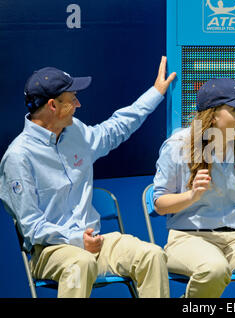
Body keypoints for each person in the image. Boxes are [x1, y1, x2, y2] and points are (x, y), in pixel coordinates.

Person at [0, 57, 176, 298]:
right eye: (72, 100)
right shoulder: (18, 157)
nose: (78, 104)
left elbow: (115, 129)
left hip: (96, 242)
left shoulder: (76, 131)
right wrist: (75, 240)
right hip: (51, 251)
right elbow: (31, 226)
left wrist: (156, 93)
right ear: (53, 105)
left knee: (152, 255)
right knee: (80, 264)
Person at [152, 78, 235, 298]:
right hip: (189, 238)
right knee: (214, 269)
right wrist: (192, 195)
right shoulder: (177, 146)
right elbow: (159, 205)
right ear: (213, 115)